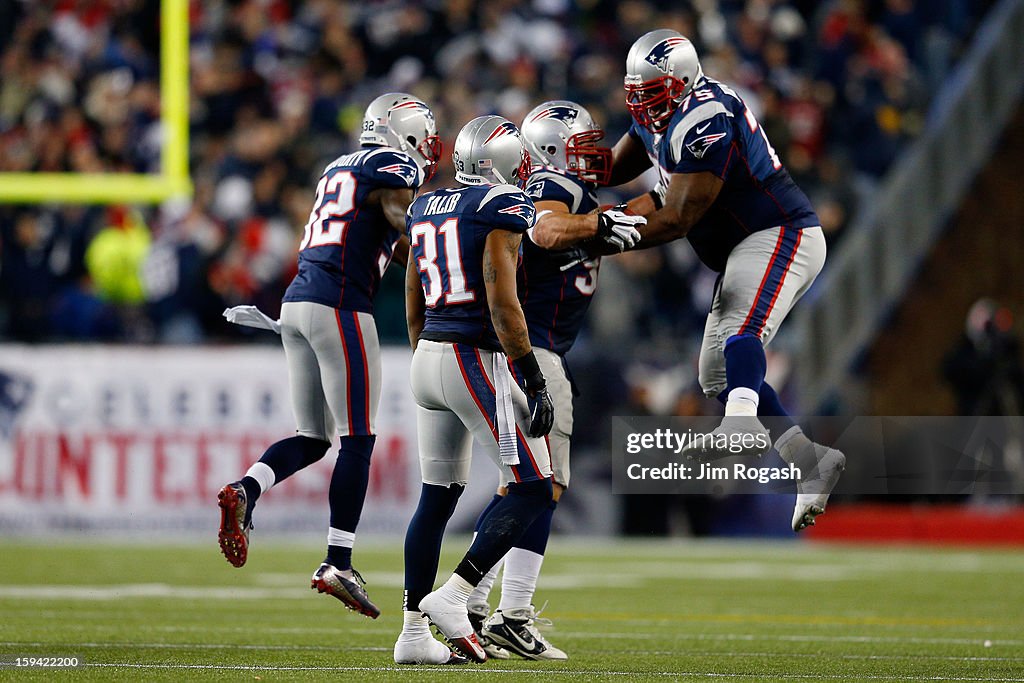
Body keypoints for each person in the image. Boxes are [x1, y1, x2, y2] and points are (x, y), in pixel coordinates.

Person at [609, 29, 845, 532]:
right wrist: (568, 174)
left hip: (781, 231)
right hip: (742, 248)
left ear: (684, 81)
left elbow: (677, 216)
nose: (645, 107)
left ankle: (739, 426)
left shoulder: (706, 115)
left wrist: (602, 235)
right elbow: (613, 169)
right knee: (719, 375)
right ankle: (809, 461)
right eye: (638, 95)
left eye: (654, 93)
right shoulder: (660, 115)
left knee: (744, 334)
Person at [216, 93, 442, 617]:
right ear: (404, 133)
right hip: (340, 304)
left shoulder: (338, 166)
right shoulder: (395, 165)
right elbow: (395, 211)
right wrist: (442, 239)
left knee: (313, 438)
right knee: (357, 438)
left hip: (296, 303)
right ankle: (337, 559)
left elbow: (379, 231)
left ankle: (245, 487)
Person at [466, 100, 644, 661]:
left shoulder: (570, 192)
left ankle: (474, 601)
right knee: (544, 486)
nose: (594, 155)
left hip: (527, 351)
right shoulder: (553, 186)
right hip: (535, 351)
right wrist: (598, 223)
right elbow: (544, 231)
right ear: (549, 150)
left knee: (518, 485)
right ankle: (509, 613)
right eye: (582, 145)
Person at [394, 115, 559, 665]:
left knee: (437, 497)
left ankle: (412, 633)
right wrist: (532, 378)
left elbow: (413, 296)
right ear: (507, 163)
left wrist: (426, 352)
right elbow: (502, 303)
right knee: (535, 485)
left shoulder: (424, 206)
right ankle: (457, 594)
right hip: (471, 356)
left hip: (428, 356)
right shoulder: (502, 208)